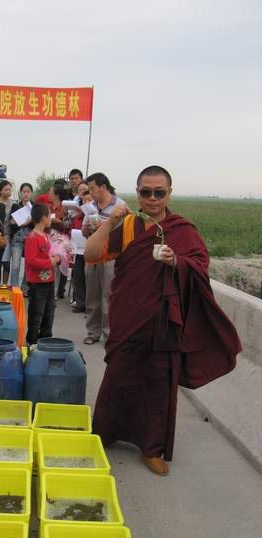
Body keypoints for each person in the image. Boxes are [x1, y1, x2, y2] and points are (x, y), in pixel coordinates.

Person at [85, 166, 242, 476]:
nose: (153, 198)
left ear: (169, 194)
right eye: (146, 192)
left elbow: (200, 265)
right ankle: (106, 432)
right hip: (129, 315)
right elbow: (90, 254)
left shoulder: (182, 230)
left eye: (159, 192)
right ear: (137, 193)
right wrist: (111, 222)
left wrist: (178, 262)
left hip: (164, 319)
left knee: (158, 384)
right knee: (119, 376)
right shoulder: (128, 225)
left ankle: (152, 448)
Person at [82, 172, 124, 345]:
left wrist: (105, 227)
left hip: (109, 257)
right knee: (91, 296)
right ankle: (92, 332)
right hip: (92, 257)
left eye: (92, 189)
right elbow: (84, 232)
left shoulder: (120, 206)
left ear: (104, 187)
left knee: (108, 296)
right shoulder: (90, 207)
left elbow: (123, 234)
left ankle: (109, 334)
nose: (91, 193)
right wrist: (87, 228)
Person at [25, 204, 61, 346]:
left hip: (49, 280)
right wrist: (50, 262)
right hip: (37, 282)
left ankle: (46, 339)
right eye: (49, 215)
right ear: (43, 218)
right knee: (36, 313)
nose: (51, 218)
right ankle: (32, 341)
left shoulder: (46, 236)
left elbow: (49, 254)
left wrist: (58, 258)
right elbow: (31, 260)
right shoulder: (32, 237)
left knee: (49, 311)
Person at [9, 182, 34, 293]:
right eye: (24, 192)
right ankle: (14, 289)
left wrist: (29, 221)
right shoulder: (16, 206)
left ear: (31, 193)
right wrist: (25, 222)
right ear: (20, 193)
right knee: (15, 265)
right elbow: (12, 222)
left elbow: (37, 223)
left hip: (30, 238)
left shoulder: (34, 206)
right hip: (17, 238)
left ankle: (25, 289)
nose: (26, 194)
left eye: (28, 192)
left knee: (29, 265)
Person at [0, 180, 14, 284]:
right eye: (6, 189)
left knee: (7, 263)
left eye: (9, 189)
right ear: (0, 190)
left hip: (8, 236)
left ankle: (4, 285)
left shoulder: (13, 204)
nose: (8, 191)